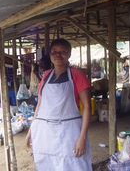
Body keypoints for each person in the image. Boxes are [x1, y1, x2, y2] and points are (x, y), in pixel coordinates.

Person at [26, 39, 92, 171]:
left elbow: (87, 107)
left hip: (70, 133)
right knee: (48, 164)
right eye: (54, 52)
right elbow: (40, 104)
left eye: (62, 52)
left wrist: (82, 138)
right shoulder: (46, 76)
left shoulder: (77, 75)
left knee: (74, 165)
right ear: (50, 55)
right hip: (46, 133)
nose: (58, 54)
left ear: (69, 54)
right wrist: (31, 130)